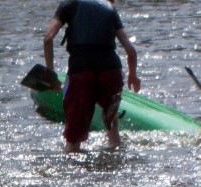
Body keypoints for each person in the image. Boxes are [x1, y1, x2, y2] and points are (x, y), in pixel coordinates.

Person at [43, 0, 140, 152]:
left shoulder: (69, 4)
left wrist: (51, 75)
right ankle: (115, 158)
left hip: (81, 71)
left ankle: (73, 161)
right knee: (112, 122)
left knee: (74, 138)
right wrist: (133, 75)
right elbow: (131, 51)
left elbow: (48, 39)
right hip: (111, 70)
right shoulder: (109, 8)